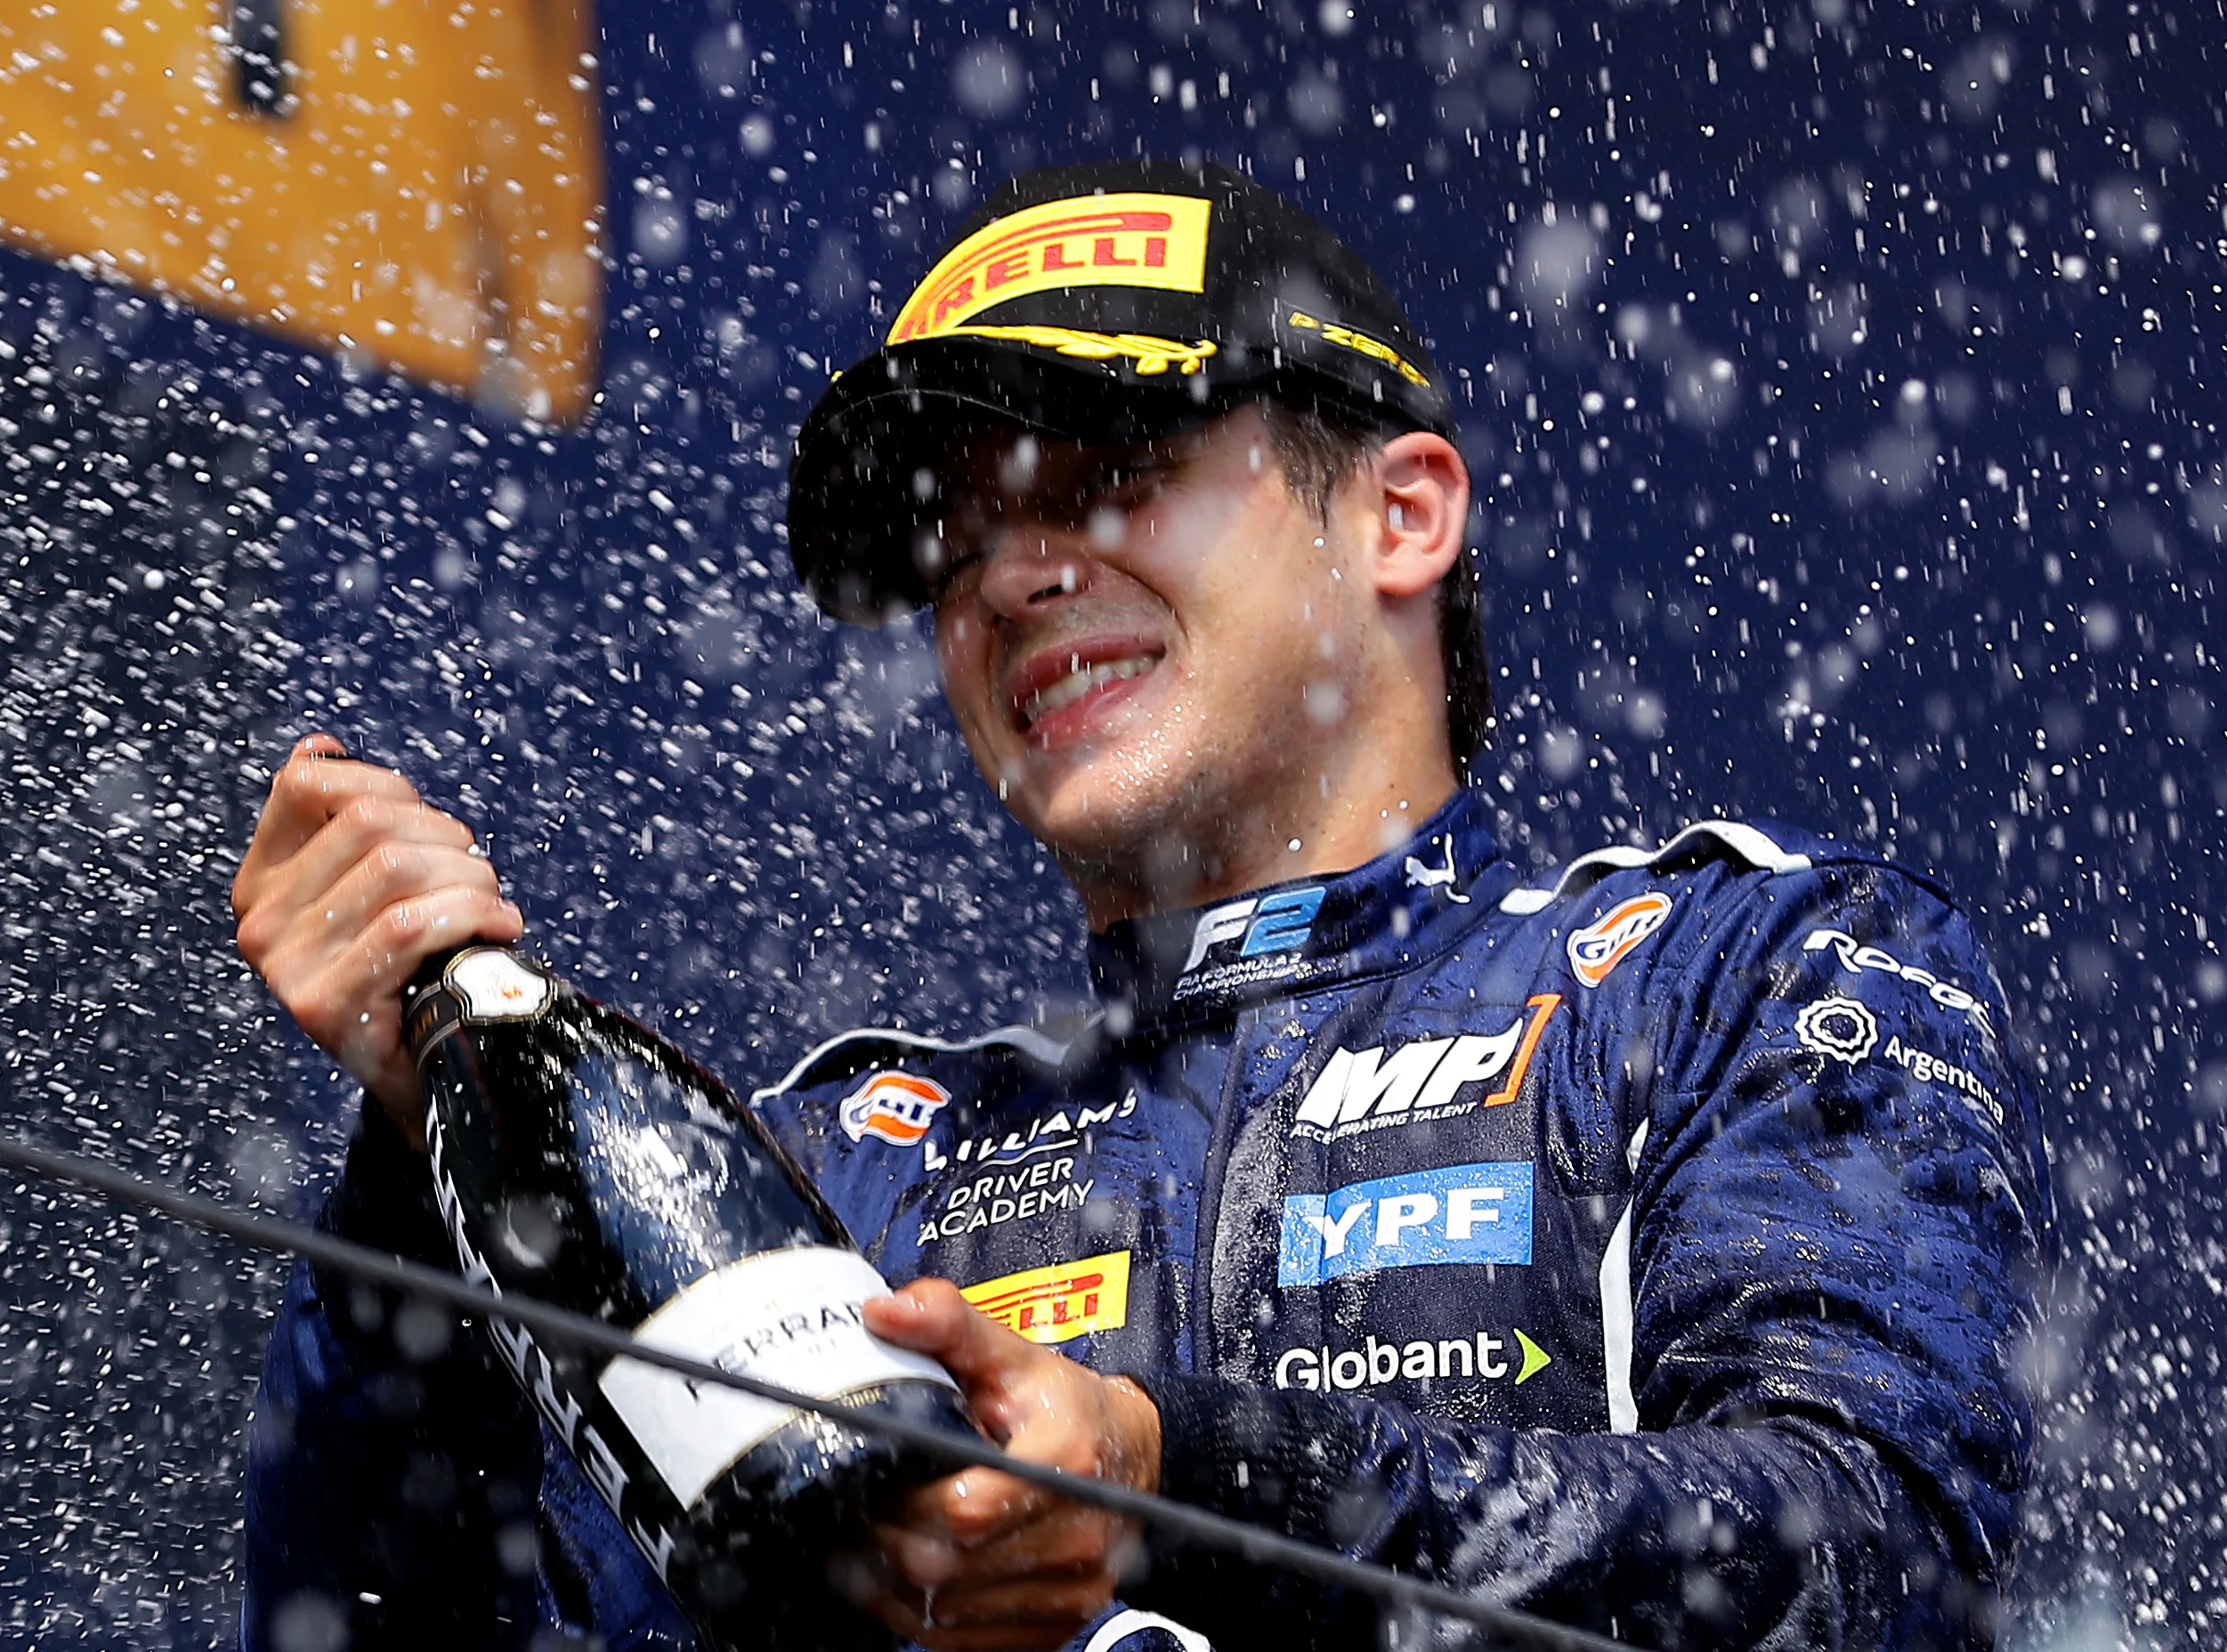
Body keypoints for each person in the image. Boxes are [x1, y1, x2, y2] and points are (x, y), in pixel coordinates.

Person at [230, 159, 2047, 1652]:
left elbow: (1870, 1558)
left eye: (1104, 468)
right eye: (950, 539)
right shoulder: (838, 1167)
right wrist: (425, 1157)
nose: (1007, 578)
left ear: (1401, 513)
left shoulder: (1729, 969)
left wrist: (1176, 1479)